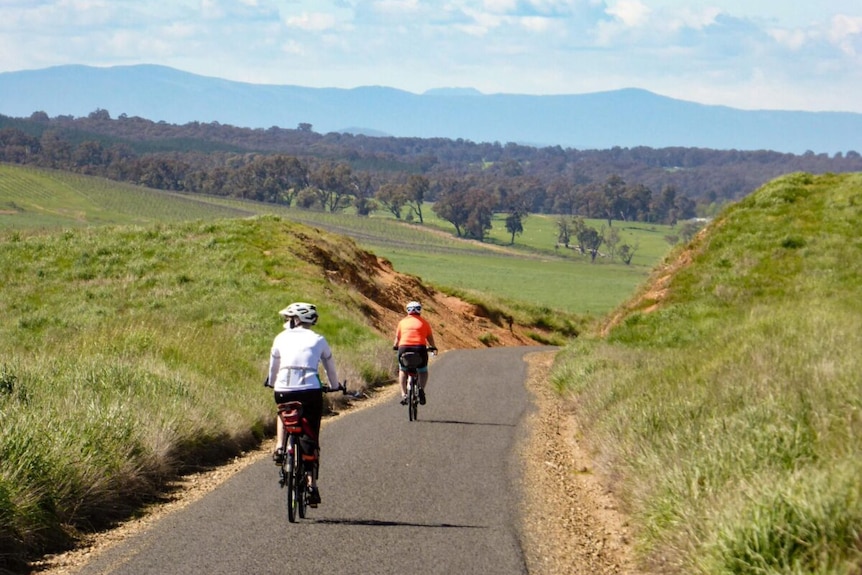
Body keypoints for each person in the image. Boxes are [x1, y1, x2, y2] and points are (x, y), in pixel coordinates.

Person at [267, 301, 340, 507]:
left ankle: (280, 446)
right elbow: (330, 367)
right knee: (311, 429)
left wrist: (272, 382)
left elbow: (274, 366)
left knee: (283, 412)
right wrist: (334, 386)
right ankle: (311, 484)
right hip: (310, 390)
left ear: (296, 319)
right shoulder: (319, 339)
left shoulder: (280, 337)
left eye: (289, 318)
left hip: (282, 389)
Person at [392, 300, 437, 405]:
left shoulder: (402, 322)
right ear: (420, 310)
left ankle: (404, 394)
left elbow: (397, 339)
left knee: (403, 370)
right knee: (423, 370)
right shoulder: (424, 323)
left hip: (403, 348)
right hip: (419, 348)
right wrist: (433, 347)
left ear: (407, 311)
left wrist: (395, 346)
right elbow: (430, 338)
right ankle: (421, 389)